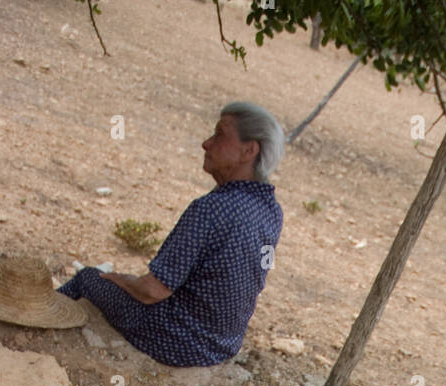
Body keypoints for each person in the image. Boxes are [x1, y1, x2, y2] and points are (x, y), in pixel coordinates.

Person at [57, 102, 284, 367]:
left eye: (219, 135)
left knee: (88, 277)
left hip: (178, 342)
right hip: (225, 345)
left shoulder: (212, 208)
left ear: (249, 150)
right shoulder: (271, 210)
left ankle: (39, 314)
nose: (206, 143)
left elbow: (153, 291)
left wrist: (121, 280)